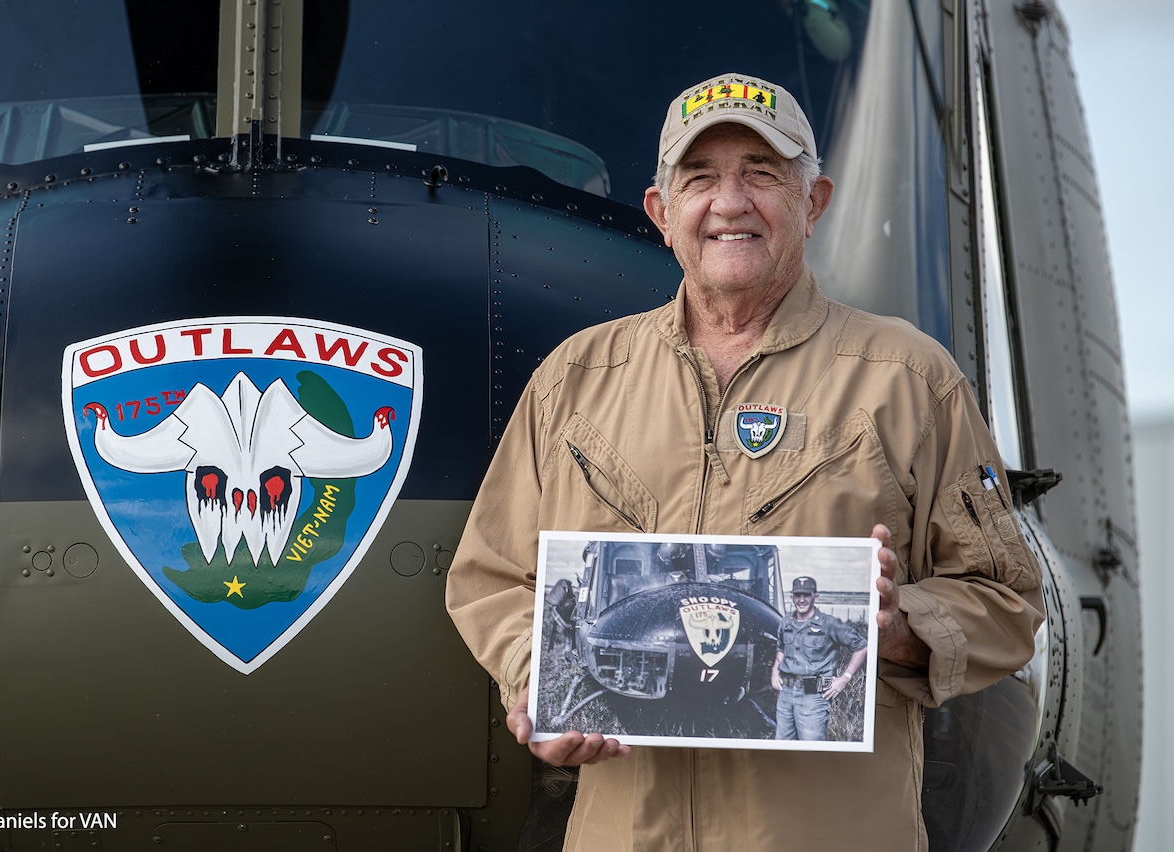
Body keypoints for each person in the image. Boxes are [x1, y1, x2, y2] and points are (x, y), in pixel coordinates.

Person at [445, 71, 1043, 851]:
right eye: (701, 179)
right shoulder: (574, 381)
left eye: (761, 175)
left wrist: (898, 627)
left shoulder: (911, 379)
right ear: (662, 214)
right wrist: (550, 683)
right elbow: (489, 577)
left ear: (813, 202)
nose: (729, 202)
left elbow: (1008, 602)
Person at [771, 576, 869, 741]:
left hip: (813, 697)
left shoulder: (828, 624)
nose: (802, 600)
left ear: (815, 596)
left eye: (806, 595)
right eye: (798, 595)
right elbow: (781, 648)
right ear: (792, 597)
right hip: (786, 695)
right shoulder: (786, 622)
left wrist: (845, 678)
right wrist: (775, 670)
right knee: (783, 750)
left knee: (811, 753)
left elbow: (861, 646)